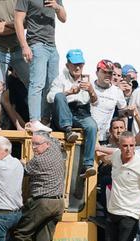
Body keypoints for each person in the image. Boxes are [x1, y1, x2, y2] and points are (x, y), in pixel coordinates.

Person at [13, 131, 66, 241]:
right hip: (58, 204)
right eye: (32, 143)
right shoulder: (57, 151)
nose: (34, 148)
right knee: (44, 239)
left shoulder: (38, 161)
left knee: (22, 232)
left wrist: (21, 163)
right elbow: (55, 139)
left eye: (37, 144)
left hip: (42, 203)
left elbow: (24, 172)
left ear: (46, 144)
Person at [15, 0, 67, 133]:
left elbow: (63, 18)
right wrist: (24, 46)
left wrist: (56, 6)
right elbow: (18, 21)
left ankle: (45, 119)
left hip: (52, 46)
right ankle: (34, 120)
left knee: (52, 85)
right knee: (37, 83)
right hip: (36, 43)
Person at [47, 48, 97, 177]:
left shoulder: (87, 80)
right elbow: (50, 97)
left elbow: (95, 102)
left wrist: (91, 91)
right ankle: (68, 130)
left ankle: (87, 165)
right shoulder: (60, 79)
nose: (77, 67)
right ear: (67, 65)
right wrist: (69, 92)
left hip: (82, 112)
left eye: (80, 64)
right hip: (65, 112)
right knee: (59, 96)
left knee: (92, 126)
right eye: (74, 64)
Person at [0, 0, 29, 91]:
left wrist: (4, 24)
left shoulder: (17, 2)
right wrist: (17, 24)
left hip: (18, 48)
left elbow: (27, 22)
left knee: (32, 83)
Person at [90, 59, 128, 145]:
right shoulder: (89, 86)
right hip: (86, 135)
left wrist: (124, 132)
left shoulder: (117, 91)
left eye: (110, 73)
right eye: (104, 72)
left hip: (103, 138)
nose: (108, 75)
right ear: (97, 73)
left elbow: (124, 113)